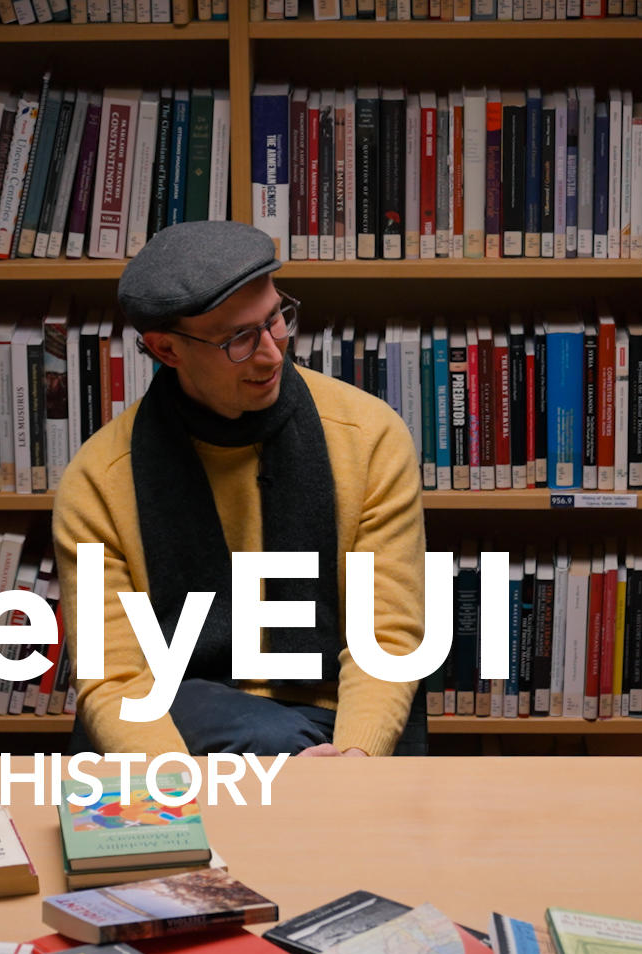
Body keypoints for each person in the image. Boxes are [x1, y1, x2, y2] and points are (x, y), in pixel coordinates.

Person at [52, 220, 428, 758]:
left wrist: (352, 763)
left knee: (286, 745)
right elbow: (114, 678)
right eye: (238, 339)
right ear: (166, 349)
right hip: (173, 729)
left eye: (275, 318)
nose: (273, 353)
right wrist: (180, 792)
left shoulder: (370, 438)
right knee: (267, 740)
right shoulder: (98, 481)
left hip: (334, 723)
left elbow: (386, 638)